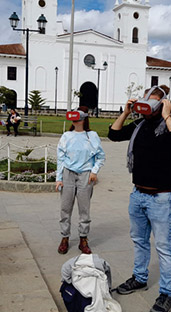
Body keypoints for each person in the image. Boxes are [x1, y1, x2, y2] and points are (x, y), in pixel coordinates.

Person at [108, 85, 171, 312]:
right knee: (139, 240)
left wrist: (167, 115)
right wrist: (126, 112)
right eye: (145, 100)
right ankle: (139, 277)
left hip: (161, 198)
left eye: (152, 101)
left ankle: (167, 293)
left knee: (164, 247)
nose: (147, 104)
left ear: (164, 103)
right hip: (138, 194)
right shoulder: (140, 124)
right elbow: (114, 134)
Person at [56, 106, 105, 255]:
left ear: (83, 118)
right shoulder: (66, 136)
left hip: (85, 175)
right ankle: (65, 237)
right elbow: (61, 158)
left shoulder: (92, 136)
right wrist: (59, 178)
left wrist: (94, 171)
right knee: (65, 208)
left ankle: (83, 238)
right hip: (68, 173)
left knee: (84, 209)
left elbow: (100, 156)